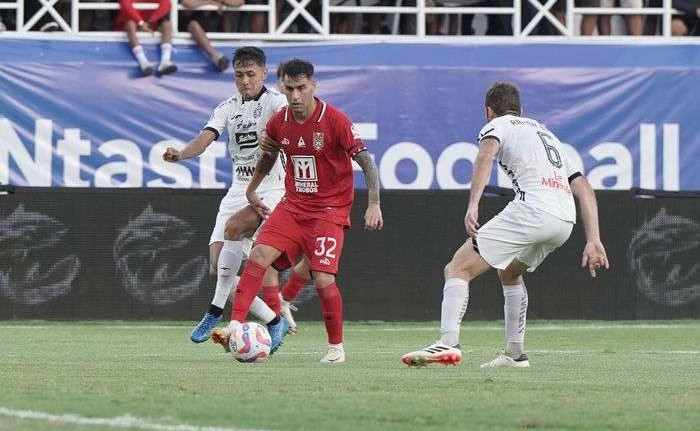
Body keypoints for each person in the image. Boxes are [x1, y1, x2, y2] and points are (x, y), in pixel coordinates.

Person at [401, 82, 609, 368]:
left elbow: (485, 154)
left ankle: (447, 343)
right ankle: (515, 354)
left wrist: (473, 203)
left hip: (534, 209)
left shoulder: (498, 125)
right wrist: (593, 238)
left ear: (489, 112)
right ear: (521, 109)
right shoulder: (545, 133)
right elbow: (583, 186)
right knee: (510, 274)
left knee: (457, 268)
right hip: (564, 220)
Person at [211, 58, 383, 363]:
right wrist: (252, 188)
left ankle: (335, 349)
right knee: (259, 256)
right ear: (281, 86)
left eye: (301, 88)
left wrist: (373, 203)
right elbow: (268, 154)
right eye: (289, 88)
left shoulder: (336, 120)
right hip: (293, 206)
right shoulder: (279, 122)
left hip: (329, 210)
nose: (295, 95)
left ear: (313, 86)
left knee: (323, 280)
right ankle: (235, 326)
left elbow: (366, 161)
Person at [162, 46, 292, 352]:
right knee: (217, 268)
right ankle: (275, 321)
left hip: (272, 190)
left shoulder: (277, 102)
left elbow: (293, 131)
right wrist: (181, 154)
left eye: (251, 74)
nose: (245, 81)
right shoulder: (227, 107)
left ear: (264, 73)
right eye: (239, 75)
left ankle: (214, 312)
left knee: (235, 228)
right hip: (238, 189)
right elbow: (203, 140)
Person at [181, 0, 245, 71]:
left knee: (229, 17)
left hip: (217, 34)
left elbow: (240, 1)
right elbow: (186, 1)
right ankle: (215, 56)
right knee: (193, 24)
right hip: (196, 36)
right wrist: (210, 3)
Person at [115, 0, 176, 76]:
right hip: (128, 30)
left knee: (167, 24)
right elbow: (126, 5)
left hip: (147, 27)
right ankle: (143, 62)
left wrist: (150, 21)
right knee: (130, 23)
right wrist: (141, 22)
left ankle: (165, 61)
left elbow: (167, 3)